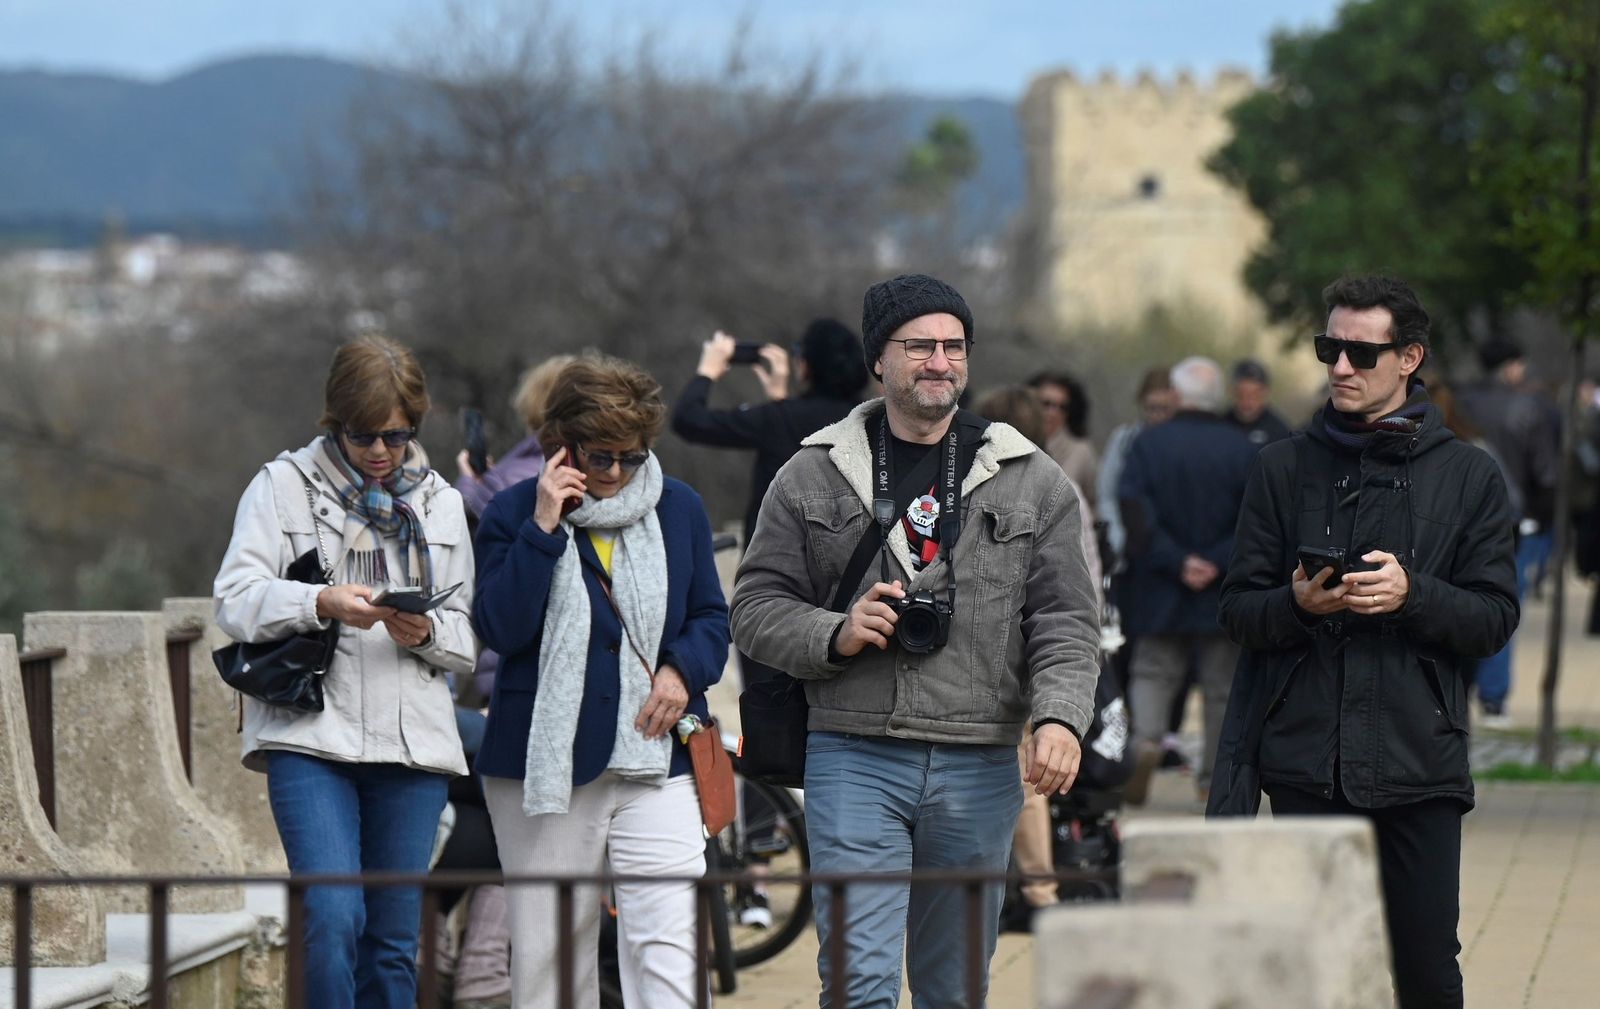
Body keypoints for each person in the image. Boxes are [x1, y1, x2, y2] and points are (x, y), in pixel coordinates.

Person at [731, 274, 1101, 1009]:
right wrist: (836, 632)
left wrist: (1060, 717)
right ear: (879, 358)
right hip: (853, 754)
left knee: (953, 987)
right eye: (919, 345)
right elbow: (753, 605)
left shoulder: (1032, 479)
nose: (940, 361)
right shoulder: (812, 472)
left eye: (953, 346)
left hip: (980, 760)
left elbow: (1065, 618)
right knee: (859, 984)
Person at [1214, 276, 1518, 1009]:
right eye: (1329, 348)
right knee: (1311, 974)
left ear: (1410, 356)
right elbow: (1236, 610)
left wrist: (1415, 595)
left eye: (1360, 351)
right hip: (1304, 761)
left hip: (1420, 760)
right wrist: (1294, 603)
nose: (1340, 367)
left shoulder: (1469, 474)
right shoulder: (1281, 468)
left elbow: (1494, 618)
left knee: (1426, 972)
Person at [214, 334, 477, 1009]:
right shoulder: (281, 487)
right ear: (335, 423)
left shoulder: (443, 502)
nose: (381, 451)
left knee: (393, 940)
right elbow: (234, 599)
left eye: (397, 434)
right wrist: (317, 600)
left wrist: (424, 630)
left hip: (413, 743)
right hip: (310, 734)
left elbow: (467, 639)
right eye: (364, 436)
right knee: (332, 917)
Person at [472, 353, 730, 1009]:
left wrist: (680, 670)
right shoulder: (509, 513)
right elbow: (502, 628)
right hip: (545, 764)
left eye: (631, 456)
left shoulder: (679, 508)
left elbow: (708, 618)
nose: (614, 472)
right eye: (599, 455)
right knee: (550, 958)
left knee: (670, 947)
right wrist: (543, 527)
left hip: (658, 753)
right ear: (559, 444)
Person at [972, 385, 1104, 927]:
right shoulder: (1055, 480)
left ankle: (1040, 890)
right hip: (1021, 652)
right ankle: (1027, 889)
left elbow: (1073, 590)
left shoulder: (1045, 486)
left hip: (1025, 656)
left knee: (1026, 780)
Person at [1116, 357, 1258, 805]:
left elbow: (1134, 514)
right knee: (1220, 685)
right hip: (1223, 587)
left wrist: (1177, 561)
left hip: (1160, 583)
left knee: (1153, 670)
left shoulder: (1147, 445)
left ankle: (1147, 743)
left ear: (1177, 396)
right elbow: (1255, 519)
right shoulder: (1244, 450)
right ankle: (1212, 776)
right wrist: (1214, 562)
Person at [672, 320, 870, 548]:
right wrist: (779, 402)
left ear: (806, 366)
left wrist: (707, 371)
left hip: (777, 561)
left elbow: (689, 420)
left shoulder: (780, 419)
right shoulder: (871, 418)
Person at [1457, 337, 1559, 724]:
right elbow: (1546, 472)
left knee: (1463, 604)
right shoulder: (1525, 407)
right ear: (1512, 366)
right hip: (1515, 522)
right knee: (1503, 606)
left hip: (1462, 519)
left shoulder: (1461, 402)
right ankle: (1495, 698)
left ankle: (1460, 689)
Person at [1029, 369, 1100, 509]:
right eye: (1046, 403)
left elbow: (1093, 502)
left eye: (1062, 407)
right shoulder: (1016, 443)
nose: (1053, 412)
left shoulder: (1081, 451)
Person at [1226, 358, 1293, 446]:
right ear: (1232, 391)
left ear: (1265, 392)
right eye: (1241, 394)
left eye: (1254, 395)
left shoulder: (1279, 431)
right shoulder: (1221, 424)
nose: (1246, 402)